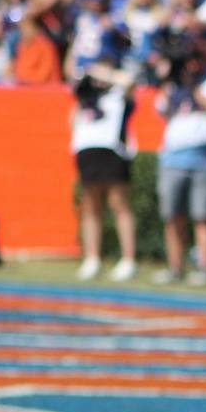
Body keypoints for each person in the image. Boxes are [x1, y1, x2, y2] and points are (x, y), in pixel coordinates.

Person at [152, 28, 206, 286]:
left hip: (203, 159)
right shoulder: (174, 85)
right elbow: (161, 110)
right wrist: (169, 77)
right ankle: (175, 267)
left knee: (202, 216)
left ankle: (203, 267)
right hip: (173, 157)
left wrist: (192, 84)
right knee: (172, 215)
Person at [69, 66, 138, 281]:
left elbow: (130, 82)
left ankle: (128, 259)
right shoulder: (86, 98)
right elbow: (72, 121)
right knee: (90, 206)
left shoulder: (118, 94)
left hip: (112, 151)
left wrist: (101, 72)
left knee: (119, 204)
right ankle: (92, 258)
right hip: (88, 151)